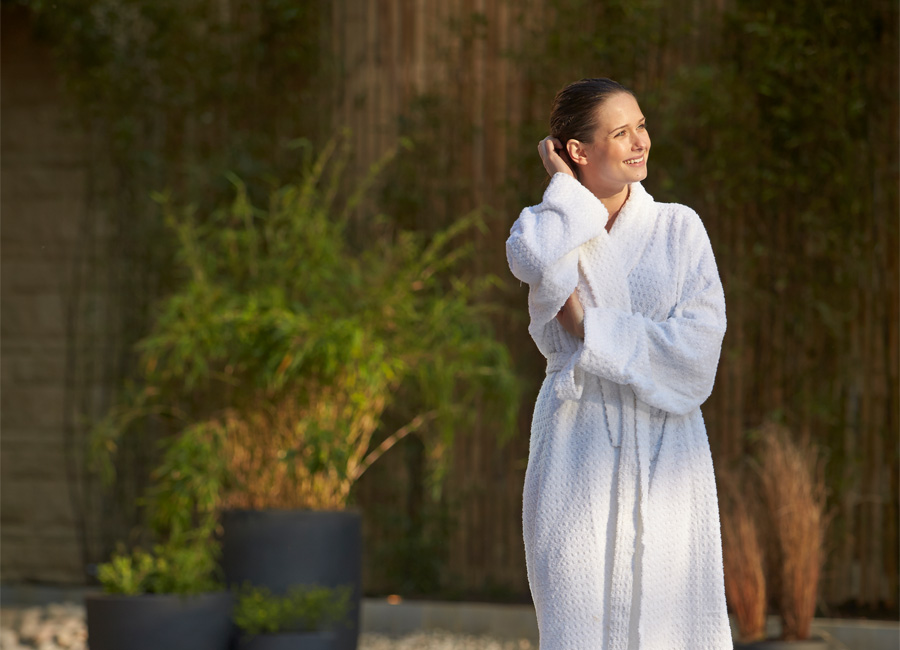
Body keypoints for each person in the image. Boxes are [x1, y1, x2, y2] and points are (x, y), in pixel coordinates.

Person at [506, 78, 732, 649]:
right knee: (574, 619)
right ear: (577, 150)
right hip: (576, 445)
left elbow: (698, 351)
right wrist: (564, 188)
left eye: (642, 125)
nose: (640, 142)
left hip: (667, 453)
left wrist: (594, 330)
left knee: (670, 624)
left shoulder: (679, 228)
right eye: (620, 132)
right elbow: (533, 259)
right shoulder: (545, 225)